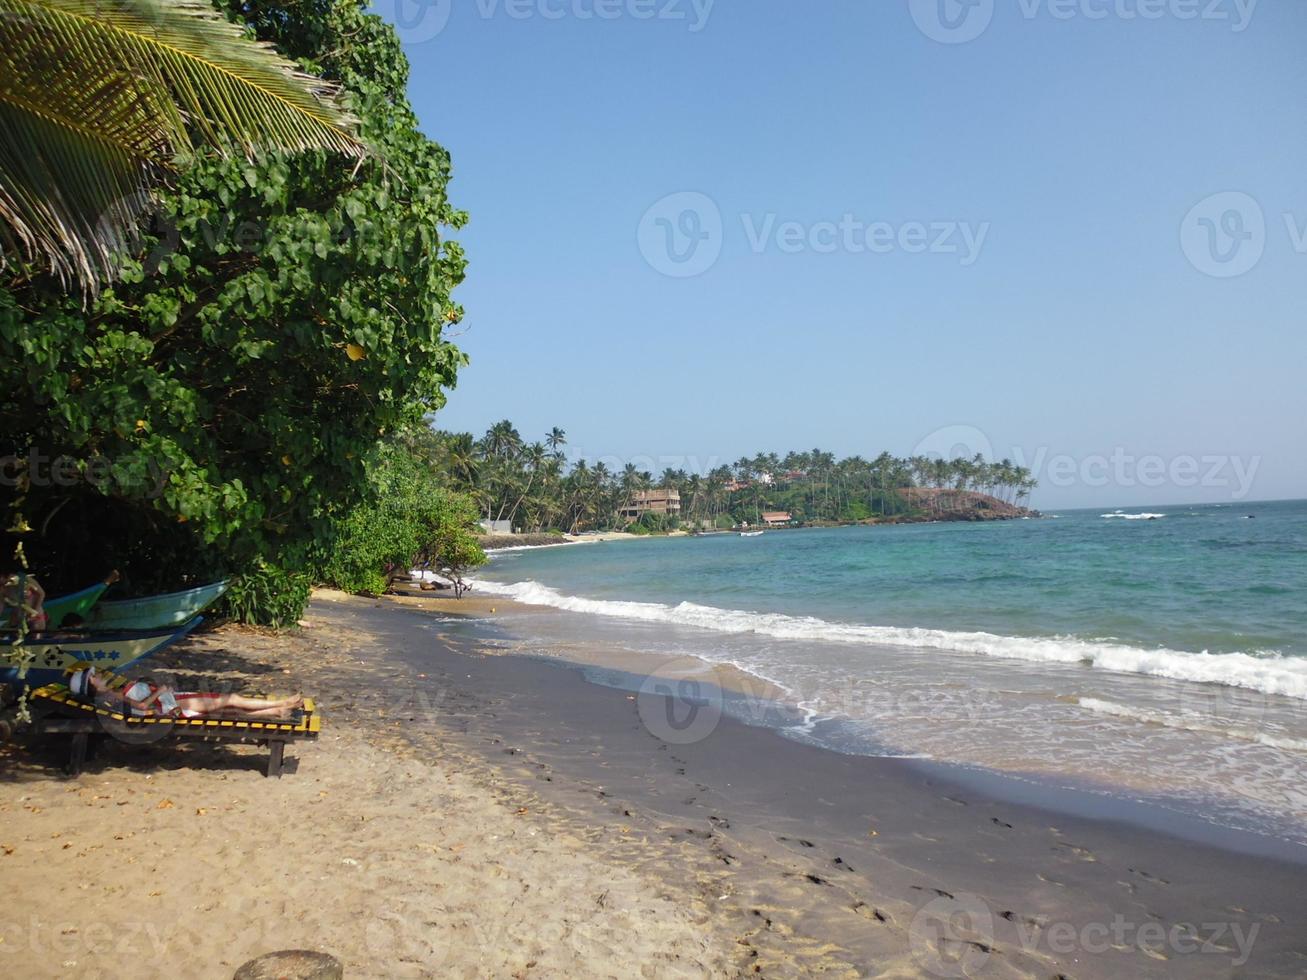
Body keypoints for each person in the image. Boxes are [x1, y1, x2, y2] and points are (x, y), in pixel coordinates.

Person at [68, 666, 304, 720]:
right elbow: (141, 707)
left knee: (228, 708)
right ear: (92, 684)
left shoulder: (109, 695)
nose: (97, 675)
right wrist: (158, 691)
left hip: (170, 705)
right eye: (93, 676)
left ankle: (279, 710)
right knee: (229, 700)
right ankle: (284, 703)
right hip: (169, 707)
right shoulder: (111, 696)